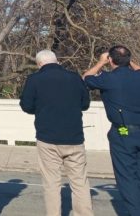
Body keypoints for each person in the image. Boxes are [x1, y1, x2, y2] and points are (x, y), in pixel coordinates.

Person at [84, 45, 140, 216]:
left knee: (127, 177)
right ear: (128, 60)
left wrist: (101, 62)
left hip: (123, 131)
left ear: (111, 59)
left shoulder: (108, 79)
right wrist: (128, 61)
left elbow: (86, 78)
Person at [20, 49, 93, 216]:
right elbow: (85, 104)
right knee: (80, 183)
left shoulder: (34, 79)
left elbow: (27, 105)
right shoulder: (74, 77)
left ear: (39, 64)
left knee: (52, 184)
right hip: (74, 137)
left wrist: (42, 108)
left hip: (48, 138)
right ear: (57, 61)